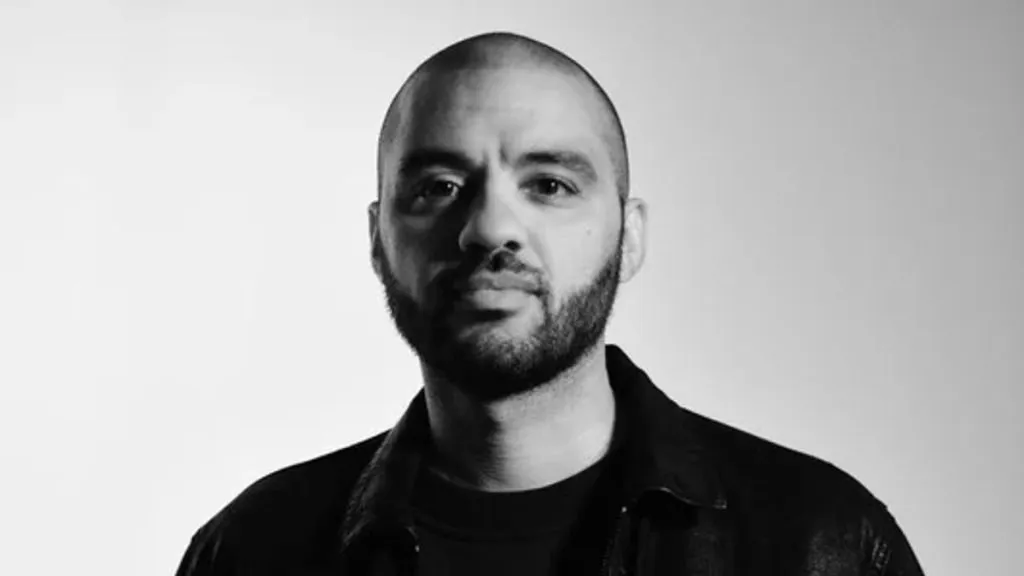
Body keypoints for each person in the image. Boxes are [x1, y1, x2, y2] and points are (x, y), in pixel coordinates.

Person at [175, 31, 925, 576]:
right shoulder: (253, 552)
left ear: (628, 237)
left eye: (550, 185)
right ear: (378, 239)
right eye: (438, 187)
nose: (490, 228)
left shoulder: (821, 544)